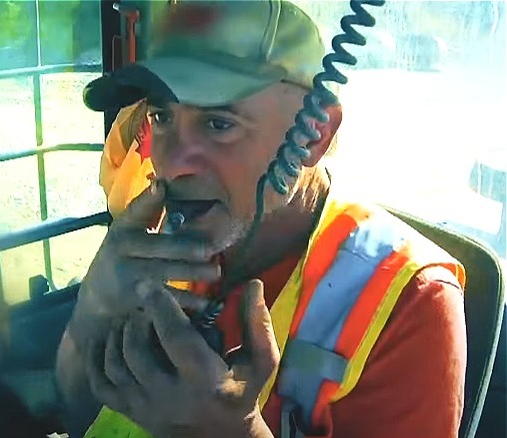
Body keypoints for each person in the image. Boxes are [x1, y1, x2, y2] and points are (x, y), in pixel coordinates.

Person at [55, 1, 467, 437]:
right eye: (162, 117)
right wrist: (88, 321)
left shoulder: (409, 300)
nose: (172, 164)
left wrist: (237, 430)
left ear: (315, 134)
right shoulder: (157, 246)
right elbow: (77, 415)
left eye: (218, 124)